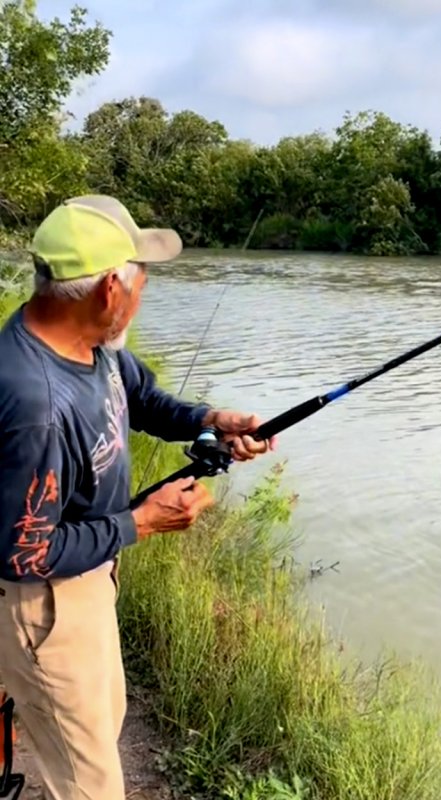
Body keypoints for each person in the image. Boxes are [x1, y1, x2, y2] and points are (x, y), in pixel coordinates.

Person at [0, 194, 276, 799]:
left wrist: (210, 423)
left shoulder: (91, 344)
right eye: (142, 279)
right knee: (91, 784)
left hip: (90, 580)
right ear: (108, 290)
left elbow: (142, 400)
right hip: (44, 604)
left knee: (105, 720)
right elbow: (23, 554)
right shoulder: (37, 405)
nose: (143, 293)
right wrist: (142, 522)